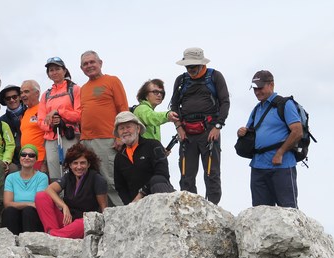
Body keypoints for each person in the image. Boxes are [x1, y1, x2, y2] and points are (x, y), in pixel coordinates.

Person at [170, 47, 230, 205]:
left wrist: (218, 126)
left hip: (209, 130)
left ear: (202, 64)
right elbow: (174, 106)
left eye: (193, 67)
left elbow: (225, 102)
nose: (190, 70)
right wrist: (179, 127)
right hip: (186, 132)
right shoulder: (181, 80)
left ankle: (213, 208)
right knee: (186, 174)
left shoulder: (215, 77)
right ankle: (190, 208)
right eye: (187, 67)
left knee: (211, 173)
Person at [237, 71, 303, 208]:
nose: (257, 92)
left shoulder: (285, 104)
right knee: (260, 213)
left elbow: (297, 131)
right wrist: (241, 132)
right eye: (254, 89)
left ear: (271, 85)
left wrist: (280, 153)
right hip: (258, 166)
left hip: (282, 166)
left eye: (260, 88)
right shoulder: (257, 109)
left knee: (288, 210)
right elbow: (251, 132)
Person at [79, 50, 128, 206]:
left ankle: (123, 214)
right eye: (85, 64)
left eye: (92, 62)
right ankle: (105, 215)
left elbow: (123, 109)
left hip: (107, 139)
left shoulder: (112, 81)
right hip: (86, 140)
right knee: (92, 181)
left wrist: (121, 136)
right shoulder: (83, 88)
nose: (89, 66)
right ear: (81, 68)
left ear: (100, 63)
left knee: (111, 180)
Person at [35, 143, 108, 239]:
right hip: (67, 220)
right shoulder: (68, 176)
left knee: (83, 223)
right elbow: (49, 189)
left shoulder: (97, 179)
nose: (79, 167)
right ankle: (53, 232)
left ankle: (54, 236)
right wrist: (64, 206)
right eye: (75, 163)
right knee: (41, 196)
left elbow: (104, 209)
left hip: (84, 223)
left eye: (82, 163)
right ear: (70, 165)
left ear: (88, 164)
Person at [112, 112, 174, 205]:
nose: (125, 131)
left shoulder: (153, 145)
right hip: (136, 205)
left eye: (128, 127)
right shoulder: (119, 157)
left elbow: (162, 174)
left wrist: (142, 193)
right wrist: (130, 205)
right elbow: (120, 186)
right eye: (121, 128)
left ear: (138, 128)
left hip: (160, 195)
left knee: (158, 180)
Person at [38, 57, 81, 181]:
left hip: (69, 135)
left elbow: (79, 115)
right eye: (51, 70)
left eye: (57, 69)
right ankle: (59, 197)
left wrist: (59, 112)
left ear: (64, 70)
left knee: (73, 165)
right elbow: (41, 121)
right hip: (51, 137)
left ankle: (75, 195)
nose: (54, 72)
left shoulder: (74, 89)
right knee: (54, 169)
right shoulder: (46, 94)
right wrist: (51, 124)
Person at [2, 144, 48, 235]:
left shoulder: (42, 177)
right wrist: (29, 203)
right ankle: (11, 245)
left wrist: (29, 206)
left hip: (33, 216)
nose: (27, 157)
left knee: (29, 211)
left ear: (36, 159)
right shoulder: (11, 178)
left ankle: (30, 244)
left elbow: (39, 203)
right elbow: (7, 203)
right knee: (9, 211)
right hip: (15, 215)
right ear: (20, 158)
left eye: (31, 155)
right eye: (23, 154)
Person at [19, 80, 47, 171]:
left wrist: (45, 160)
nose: (23, 95)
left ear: (37, 93)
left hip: (41, 159)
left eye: (26, 91)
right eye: (21, 92)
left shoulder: (44, 108)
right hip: (27, 160)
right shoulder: (25, 112)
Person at [0, 84, 26, 167]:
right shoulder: (0, 121)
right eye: (8, 98)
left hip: (33, 156)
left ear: (20, 97)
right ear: (5, 101)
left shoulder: (32, 113)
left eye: (14, 96)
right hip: (12, 162)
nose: (12, 100)